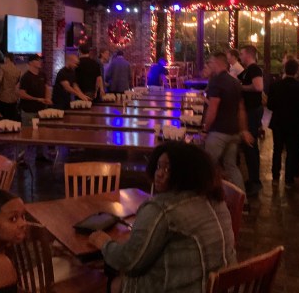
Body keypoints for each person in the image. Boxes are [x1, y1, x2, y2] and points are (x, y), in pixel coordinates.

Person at [88, 142, 236, 293]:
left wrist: (104, 243)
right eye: (158, 166)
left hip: (185, 288)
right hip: (222, 287)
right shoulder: (217, 201)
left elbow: (130, 262)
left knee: (108, 281)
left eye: (168, 169)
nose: (159, 173)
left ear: (187, 173)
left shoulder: (162, 209)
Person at [202, 52, 251, 191]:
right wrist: (243, 130)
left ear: (217, 63)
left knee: (206, 165)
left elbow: (213, 109)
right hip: (233, 132)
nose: (209, 65)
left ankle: (205, 197)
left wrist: (205, 129)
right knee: (231, 167)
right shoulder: (235, 82)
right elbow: (241, 109)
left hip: (219, 132)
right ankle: (242, 199)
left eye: (211, 62)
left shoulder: (216, 82)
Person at [267, 59, 299, 188]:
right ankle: (288, 180)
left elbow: (270, 105)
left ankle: (275, 177)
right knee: (291, 151)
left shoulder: (275, 85)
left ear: (285, 69)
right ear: (297, 71)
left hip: (278, 122)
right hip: (294, 123)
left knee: (277, 150)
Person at [237, 45, 264, 197]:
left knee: (251, 144)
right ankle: (252, 179)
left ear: (248, 54)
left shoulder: (254, 69)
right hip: (250, 110)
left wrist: (241, 87)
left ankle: (255, 181)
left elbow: (258, 87)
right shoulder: (247, 70)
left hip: (253, 110)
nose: (240, 56)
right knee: (248, 146)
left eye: (241, 53)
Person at [18, 54, 52, 162]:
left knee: (42, 133)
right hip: (29, 110)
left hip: (41, 110)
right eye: (37, 60)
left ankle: (41, 156)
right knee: (28, 134)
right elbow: (21, 94)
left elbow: (47, 87)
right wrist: (37, 99)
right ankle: (24, 158)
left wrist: (47, 98)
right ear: (31, 62)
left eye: (40, 60)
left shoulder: (42, 75)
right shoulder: (26, 77)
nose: (40, 62)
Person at [0, 53, 21, 121]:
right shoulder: (18, 70)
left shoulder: (3, 67)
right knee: (11, 120)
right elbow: (17, 84)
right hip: (13, 98)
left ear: (7, 58)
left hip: (2, 97)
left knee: (1, 120)